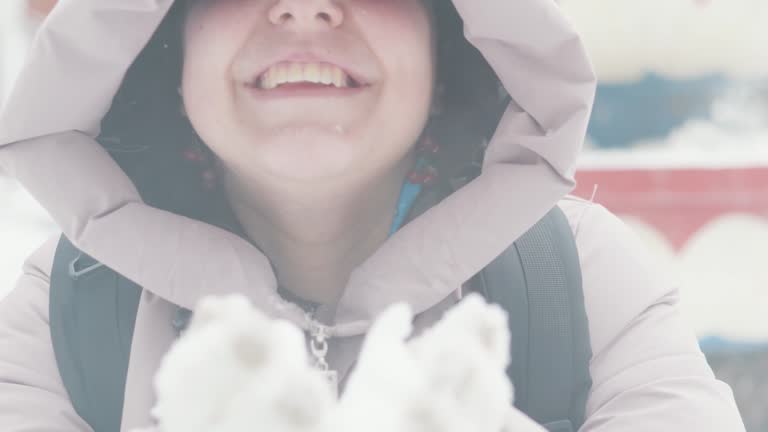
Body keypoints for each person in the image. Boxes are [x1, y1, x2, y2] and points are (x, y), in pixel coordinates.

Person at [0, 1, 744, 431]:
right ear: (166, 40)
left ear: (448, 35)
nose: (303, 6)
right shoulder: (71, 309)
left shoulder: (581, 278)